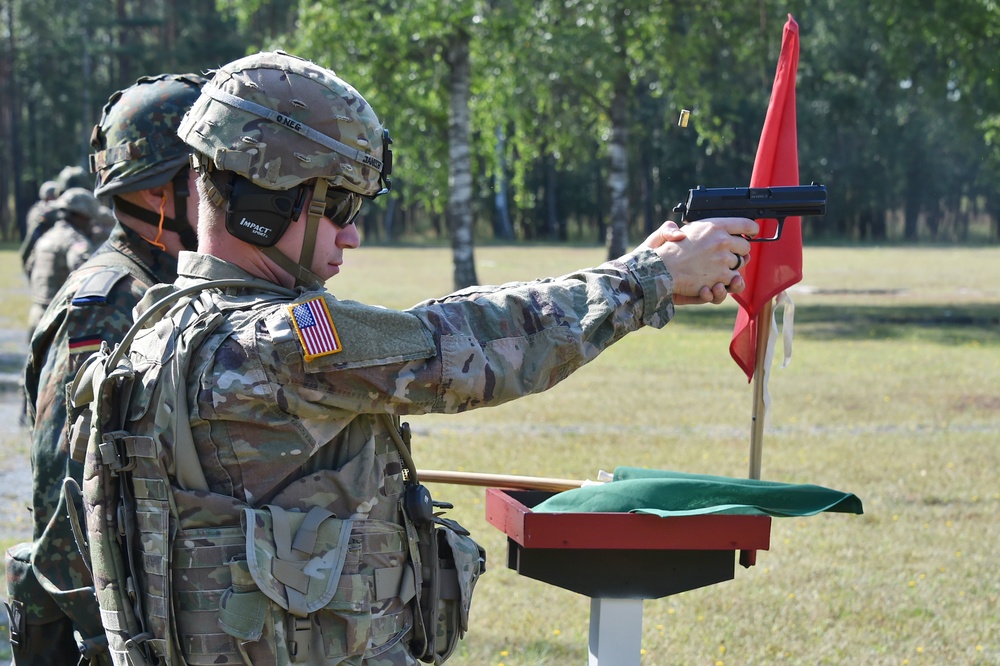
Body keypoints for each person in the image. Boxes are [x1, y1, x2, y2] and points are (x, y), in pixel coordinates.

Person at [79, 51, 756, 665]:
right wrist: (645, 279)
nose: (352, 233)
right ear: (264, 204)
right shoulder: (279, 342)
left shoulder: (158, 328)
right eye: (338, 203)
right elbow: (459, 342)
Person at [5, 72, 205, 666]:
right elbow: (64, 497)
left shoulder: (164, 286)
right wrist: (115, 637)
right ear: (155, 193)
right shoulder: (114, 299)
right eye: (209, 176)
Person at [25, 187, 100, 332]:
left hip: (37, 315)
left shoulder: (46, 237)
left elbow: (29, 267)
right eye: (89, 218)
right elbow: (88, 279)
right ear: (81, 216)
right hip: (59, 320)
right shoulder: (75, 242)